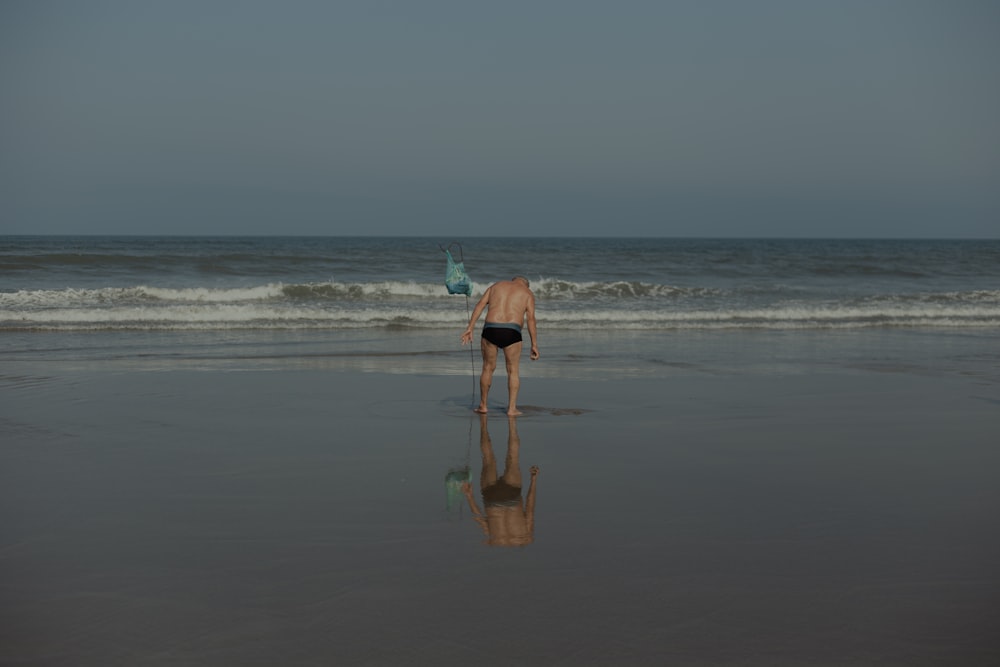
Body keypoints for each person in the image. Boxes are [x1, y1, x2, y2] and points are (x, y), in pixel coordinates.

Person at [460, 276, 539, 416]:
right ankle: (511, 409)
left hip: (491, 328)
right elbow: (531, 319)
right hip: (512, 331)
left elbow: (480, 305)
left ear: (512, 280)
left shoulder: (496, 286)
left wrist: (470, 327)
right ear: (526, 285)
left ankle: (483, 406)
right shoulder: (527, 293)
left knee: (487, 368)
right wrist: (534, 344)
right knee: (513, 371)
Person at [461, 414, 539, 547]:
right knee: (488, 459)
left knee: (513, 457)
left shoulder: (526, 537)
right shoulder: (493, 541)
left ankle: (511, 424)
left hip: (512, 498)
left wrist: (534, 479)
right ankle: (483, 424)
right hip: (492, 501)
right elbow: (480, 520)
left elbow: (530, 510)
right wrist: (469, 496)